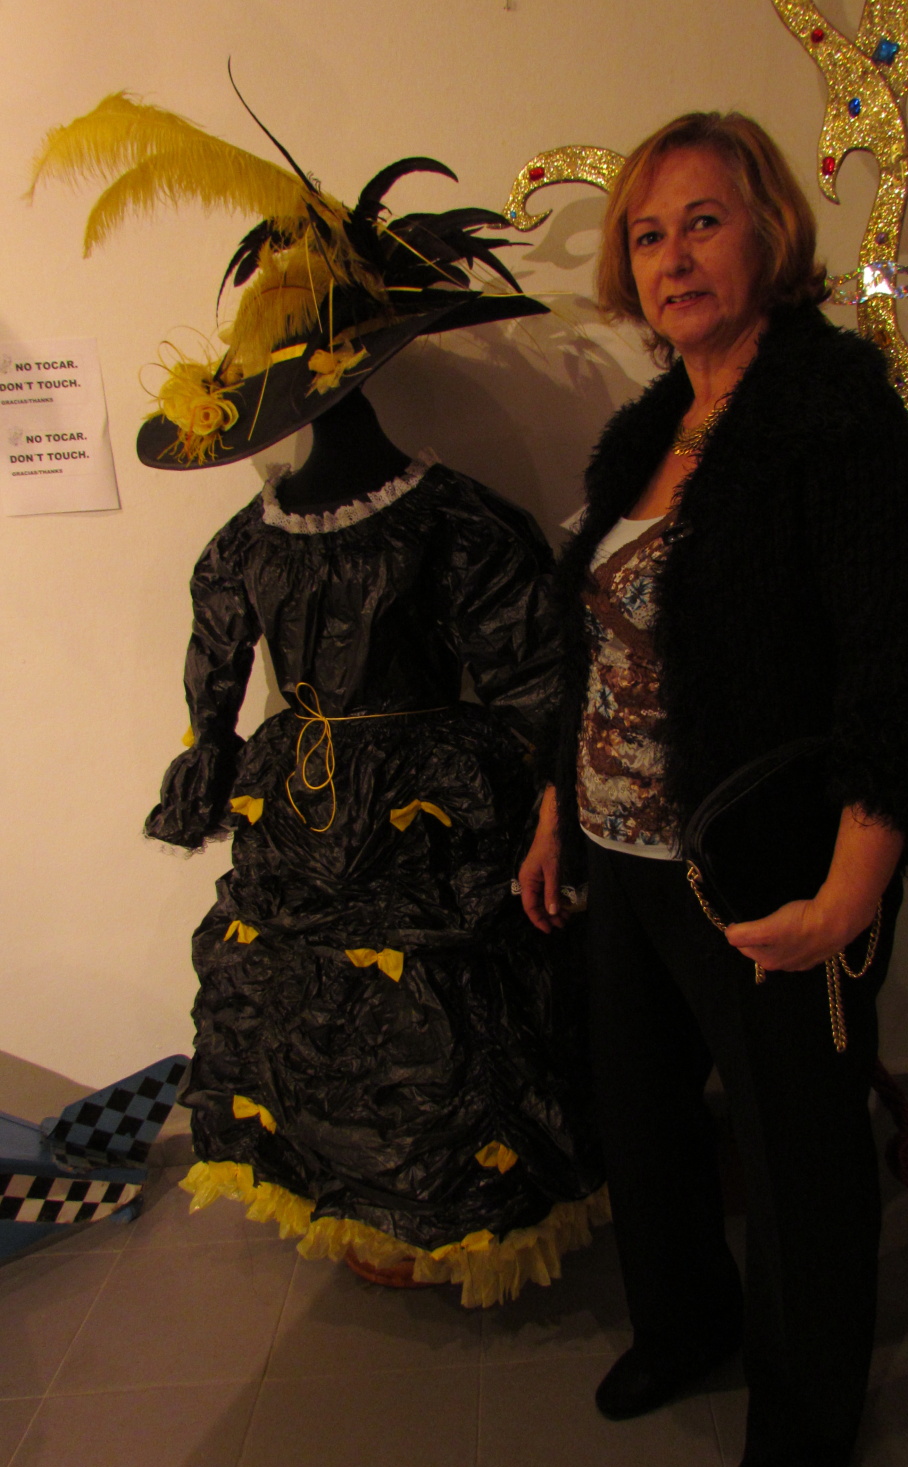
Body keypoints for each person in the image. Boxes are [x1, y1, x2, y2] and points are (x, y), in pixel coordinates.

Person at [32, 93, 605, 1308]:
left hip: (427, 814)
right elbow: (213, 662)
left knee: (437, 1012)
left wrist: (541, 804)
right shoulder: (245, 545)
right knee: (313, 1009)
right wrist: (208, 751)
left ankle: (446, 1217)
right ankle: (352, 1199)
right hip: (299, 810)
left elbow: (532, 674)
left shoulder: (453, 521)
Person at [519, 111, 908, 1467]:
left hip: (768, 867)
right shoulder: (649, 426)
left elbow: (904, 669)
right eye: (648, 233)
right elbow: (599, 645)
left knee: (796, 1153)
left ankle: (804, 1424)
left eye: (702, 222)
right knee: (643, 1116)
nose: (672, 257)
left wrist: (850, 894)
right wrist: (556, 805)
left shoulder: (834, 415)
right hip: (620, 854)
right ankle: (685, 1326)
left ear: (769, 230)